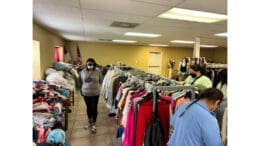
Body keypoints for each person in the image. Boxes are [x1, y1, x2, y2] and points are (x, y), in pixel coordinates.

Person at [80, 58, 103, 133]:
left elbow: (101, 80)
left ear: (94, 64)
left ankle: (94, 123)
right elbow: (82, 81)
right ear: (86, 64)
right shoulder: (83, 71)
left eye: (91, 64)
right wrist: (89, 73)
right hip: (86, 93)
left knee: (94, 108)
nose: (90, 65)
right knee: (88, 108)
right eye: (88, 64)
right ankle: (90, 121)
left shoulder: (98, 71)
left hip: (95, 93)